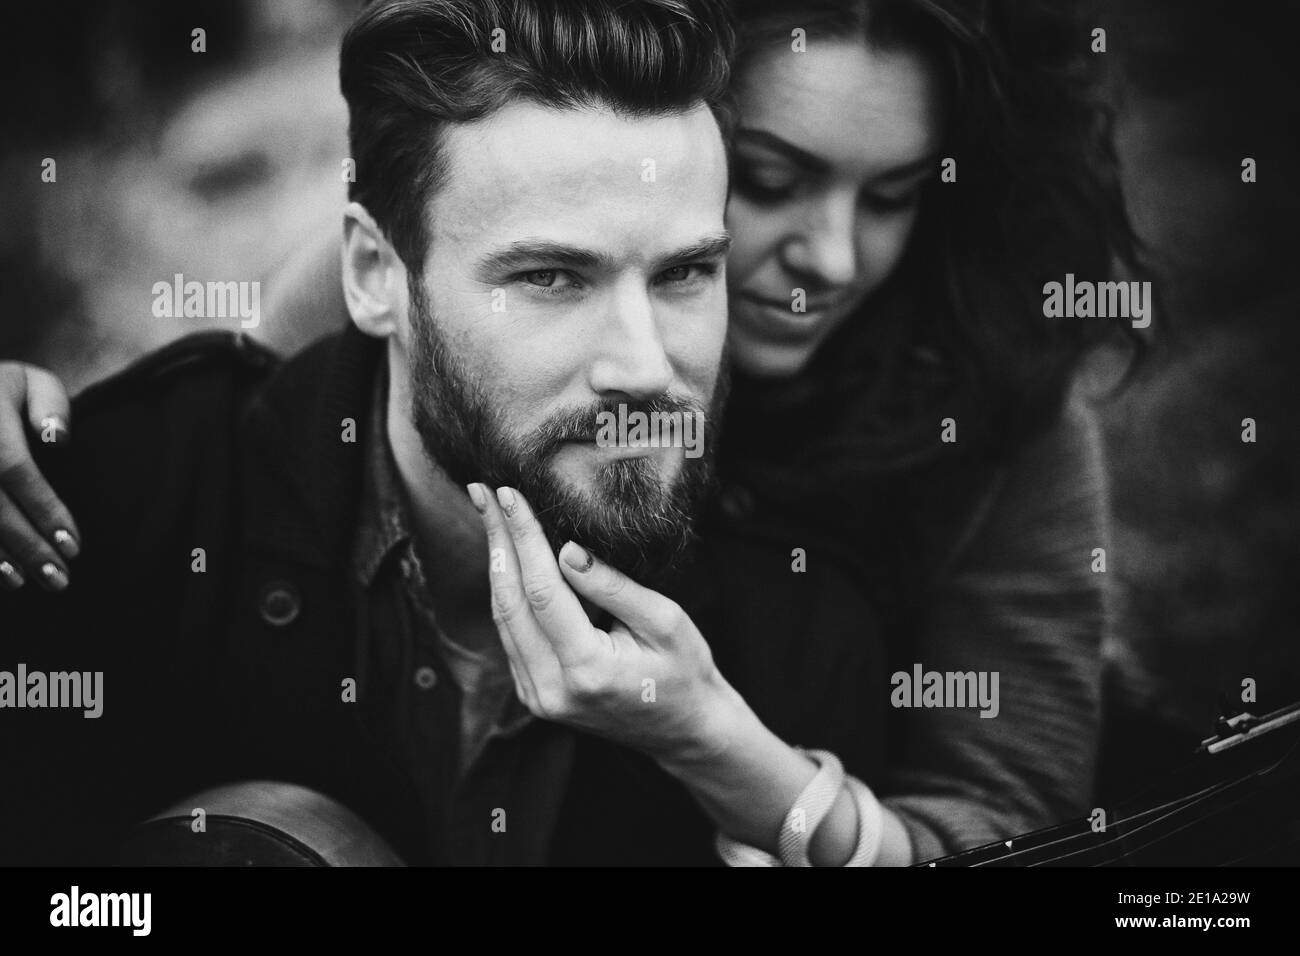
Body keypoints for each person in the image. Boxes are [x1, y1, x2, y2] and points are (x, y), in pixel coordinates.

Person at [0, 0, 1142, 865]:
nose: (832, 256)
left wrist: (732, 758)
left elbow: (1017, 820)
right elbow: (264, 374)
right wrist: (48, 430)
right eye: (773, 180)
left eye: (891, 194)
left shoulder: (900, 526)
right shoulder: (304, 375)